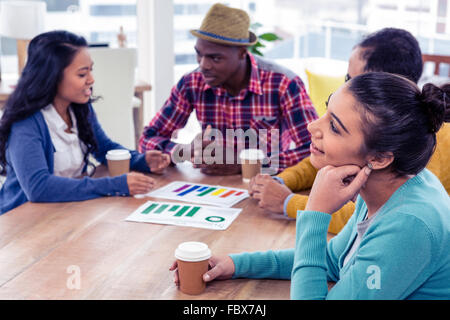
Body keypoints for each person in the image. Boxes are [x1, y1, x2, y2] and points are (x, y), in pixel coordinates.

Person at [171, 72, 450, 299]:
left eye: (335, 127)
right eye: (326, 113)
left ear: (379, 158)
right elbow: (332, 260)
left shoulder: (410, 224)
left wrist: (316, 213)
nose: (313, 127)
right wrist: (236, 264)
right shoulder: (390, 182)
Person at [249, 27, 450, 234]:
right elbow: (329, 155)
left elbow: (362, 222)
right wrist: (281, 181)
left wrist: (289, 202)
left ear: (381, 88)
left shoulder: (415, 145)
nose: (348, 86)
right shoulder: (374, 137)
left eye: (353, 80)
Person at [0, 30, 171, 214]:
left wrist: (142, 161)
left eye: (91, 70)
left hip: (66, 210)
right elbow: (38, 187)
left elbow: (104, 148)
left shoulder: (79, 108)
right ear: (52, 77)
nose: (91, 79)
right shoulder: (26, 123)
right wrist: (114, 185)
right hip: (22, 221)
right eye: (82, 74)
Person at [138, 3, 318, 175]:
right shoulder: (191, 83)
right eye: (199, 55)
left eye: (215, 58)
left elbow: (316, 152)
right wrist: (183, 150)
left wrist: (245, 165)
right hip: (211, 188)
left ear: (242, 53)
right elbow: (147, 140)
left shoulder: (283, 84)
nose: (203, 65)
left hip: (265, 184)